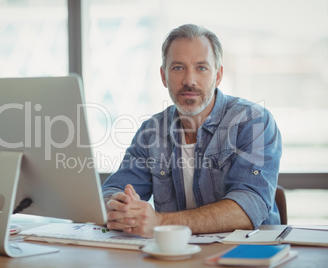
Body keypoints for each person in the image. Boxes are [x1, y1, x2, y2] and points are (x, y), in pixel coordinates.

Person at [101, 24, 282, 238]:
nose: (189, 81)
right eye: (178, 68)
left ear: (219, 75)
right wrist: (119, 206)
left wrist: (161, 222)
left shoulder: (253, 122)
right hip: (174, 253)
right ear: (163, 76)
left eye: (201, 68)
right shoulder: (151, 132)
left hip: (246, 252)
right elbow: (112, 191)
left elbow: (248, 208)